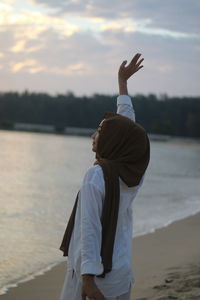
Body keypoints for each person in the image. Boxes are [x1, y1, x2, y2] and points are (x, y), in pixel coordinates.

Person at [59, 53, 150, 300]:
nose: (94, 135)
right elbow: (127, 130)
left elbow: (89, 227)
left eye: (99, 131)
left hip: (94, 281)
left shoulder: (96, 175)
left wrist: (88, 280)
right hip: (120, 274)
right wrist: (123, 84)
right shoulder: (132, 175)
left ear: (113, 140)